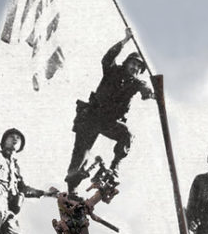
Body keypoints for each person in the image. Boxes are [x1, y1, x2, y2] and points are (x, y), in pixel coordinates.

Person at [64, 27, 155, 193]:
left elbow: (146, 89)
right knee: (79, 157)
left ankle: (114, 167)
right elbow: (107, 58)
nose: (135, 68)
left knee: (127, 134)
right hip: (91, 117)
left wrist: (151, 91)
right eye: (133, 63)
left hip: (109, 122)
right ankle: (72, 191)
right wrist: (125, 40)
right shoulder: (112, 71)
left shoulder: (136, 83)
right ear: (126, 63)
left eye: (138, 67)